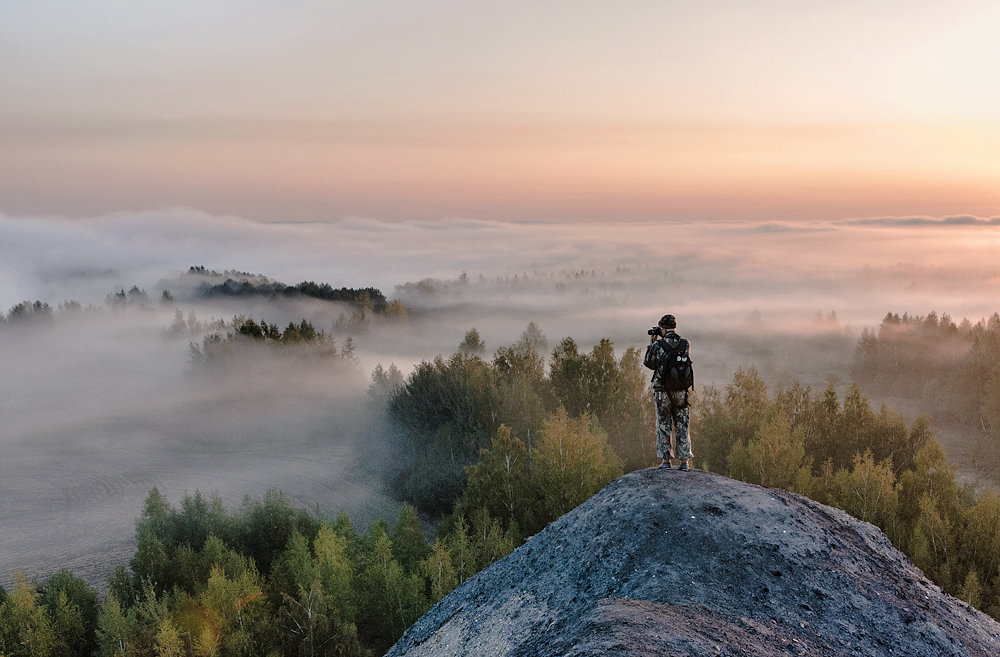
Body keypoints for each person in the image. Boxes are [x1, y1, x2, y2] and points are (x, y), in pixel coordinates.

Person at [643, 314, 693, 471]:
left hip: (662, 391)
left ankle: (666, 460)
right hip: (681, 391)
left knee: (664, 423)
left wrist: (653, 344)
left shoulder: (659, 345)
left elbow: (649, 363)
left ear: (663, 329)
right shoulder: (685, 344)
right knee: (682, 423)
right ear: (674, 327)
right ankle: (684, 461)